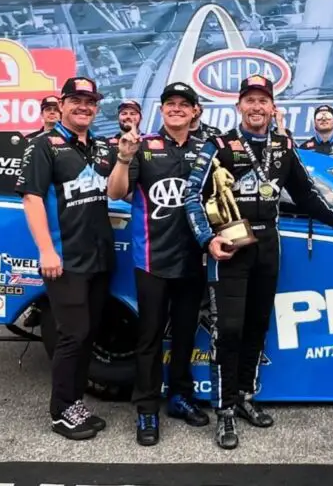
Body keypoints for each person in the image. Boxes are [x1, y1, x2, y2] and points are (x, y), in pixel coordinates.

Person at [183, 74, 333, 450]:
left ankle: (245, 397)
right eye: (249, 100)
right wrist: (208, 240)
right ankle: (223, 411)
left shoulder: (283, 145)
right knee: (229, 330)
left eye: (263, 101)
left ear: (273, 107)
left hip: (268, 243)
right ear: (239, 106)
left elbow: (305, 194)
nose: (256, 107)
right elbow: (191, 196)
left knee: (256, 327)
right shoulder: (219, 145)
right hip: (231, 248)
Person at [107, 81, 211, 447]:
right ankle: (147, 408)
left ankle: (180, 397)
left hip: (192, 258)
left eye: (185, 104)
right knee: (149, 337)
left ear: (195, 111)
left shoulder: (206, 149)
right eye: (171, 103)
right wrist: (123, 157)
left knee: (184, 334)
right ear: (162, 109)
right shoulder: (143, 146)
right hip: (151, 258)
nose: (177, 109)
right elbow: (116, 192)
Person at [15, 77, 116, 441]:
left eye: (90, 102)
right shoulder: (43, 145)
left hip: (100, 255)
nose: (84, 107)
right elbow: (32, 198)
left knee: (88, 334)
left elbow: (118, 187)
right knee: (71, 335)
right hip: (64, 256)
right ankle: (61, 411)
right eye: (76, 100)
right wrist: (46, 249)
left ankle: (75, 403)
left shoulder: (102, 147)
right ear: (62, 104)